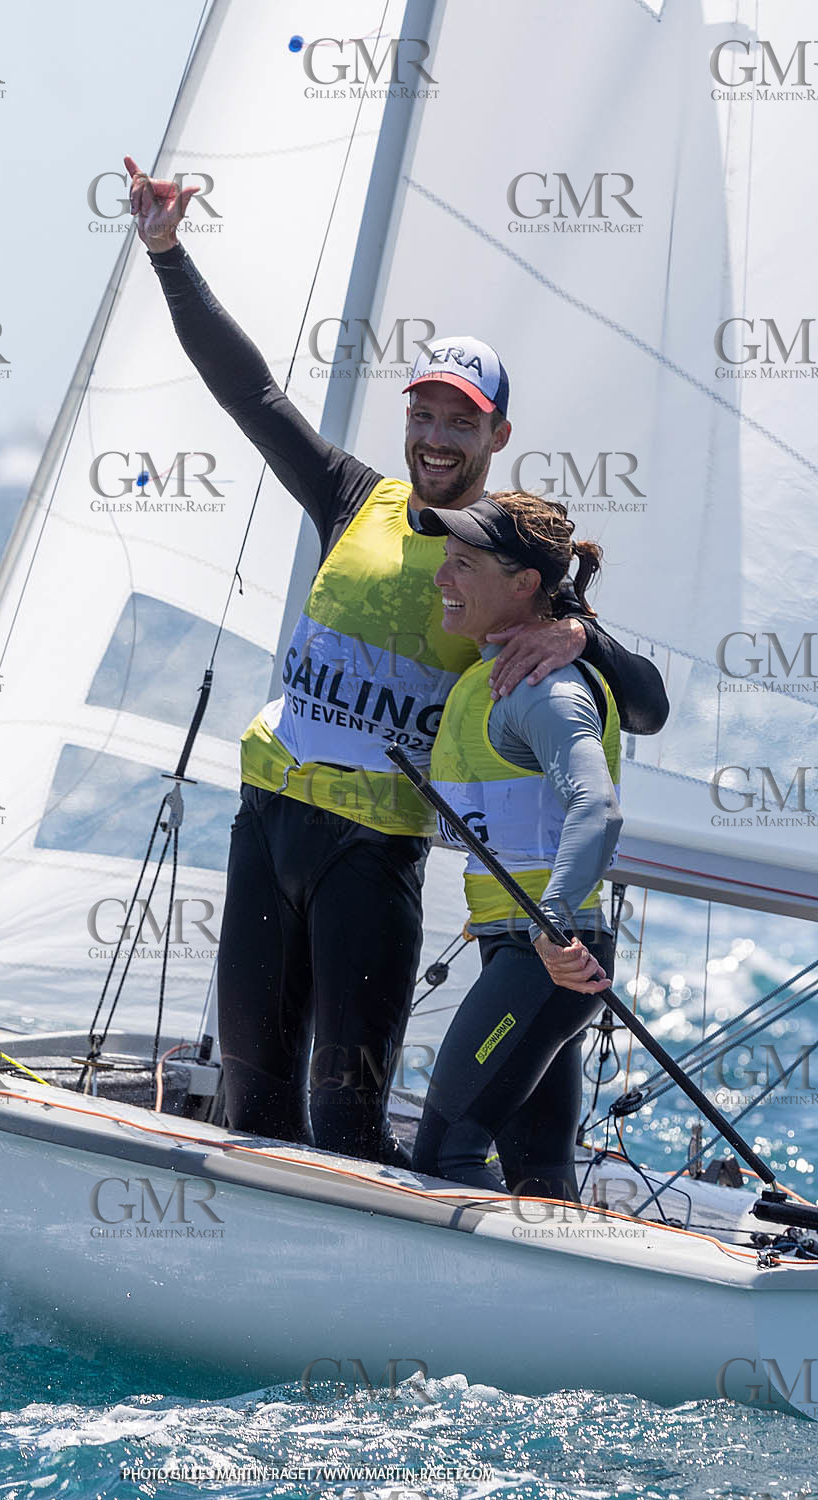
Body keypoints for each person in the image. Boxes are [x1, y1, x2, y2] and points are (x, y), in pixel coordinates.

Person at [126, 162, 667, 1165]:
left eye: (459, 420)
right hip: (267, 827)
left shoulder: (506, 559)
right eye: (422, 413)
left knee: (342, 1122)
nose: (434, 436)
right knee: (254, 1110)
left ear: (495, 435)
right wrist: (167, 255)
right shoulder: (351, 496)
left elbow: (644, 708)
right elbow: (249, 392)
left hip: (369, 860)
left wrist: (584, 632)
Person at [412, 491, 620, 1202]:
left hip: (548, 958)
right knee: (540, 1183)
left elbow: (597, 805)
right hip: (524, 952)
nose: (443, 577)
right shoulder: (493, 676)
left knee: (445, 1154)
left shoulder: (545, 690)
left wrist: (552, 920)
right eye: (446, 559)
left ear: (524, 584)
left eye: (463, 564)